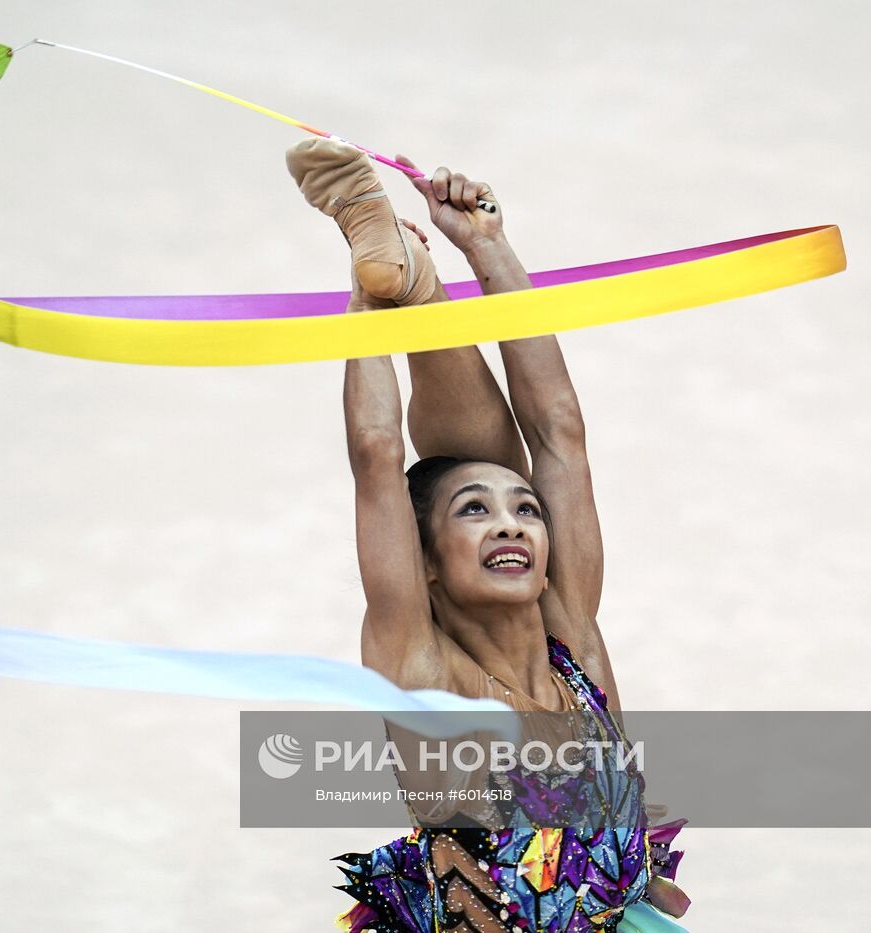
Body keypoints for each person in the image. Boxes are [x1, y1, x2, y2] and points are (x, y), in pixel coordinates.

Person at [284, 139, 691, 932]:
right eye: (476, 513)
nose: (512, 520)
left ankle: (420, 279)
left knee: (491, 459)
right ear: (424, 564)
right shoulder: (425, 674)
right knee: (460, 463)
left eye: (526, 510)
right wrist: (368, 309)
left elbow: (559, 431)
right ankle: (402, 278)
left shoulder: (575, 640)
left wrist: (491, 247)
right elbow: (377, 457)